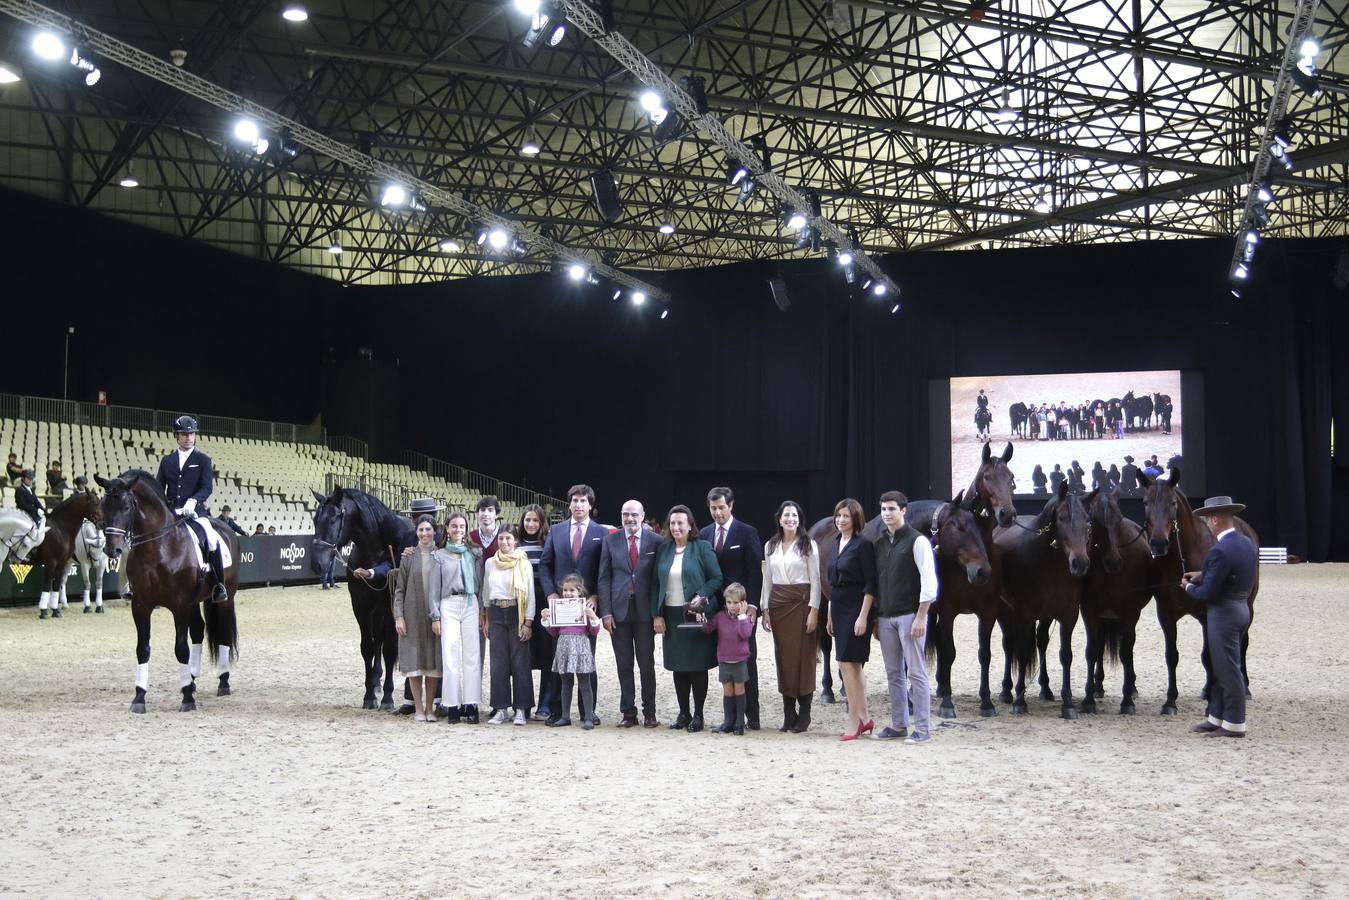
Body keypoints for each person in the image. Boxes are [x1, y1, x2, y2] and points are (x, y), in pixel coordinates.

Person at [1182, 495, 1257, 739]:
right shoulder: (1246, 542)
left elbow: (1207, 593)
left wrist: (1188, 587)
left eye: (1207, 519)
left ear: (1215, 520)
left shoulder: (1219, 550)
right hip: (1240, 608)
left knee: (1228, 670)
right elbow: (1231, 572)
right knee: (1219, 666)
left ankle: (1234, 723)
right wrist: (1202, 574)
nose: (1207, 524)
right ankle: (1216, 716)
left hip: (1223, 614)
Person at [650, 504, 723, 733]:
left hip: (695, 615)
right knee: (678, 667)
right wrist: (657, 614)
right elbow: (655, 584)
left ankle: (698, 715)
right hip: (671, 616)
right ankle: (684, 713)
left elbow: (716, 578)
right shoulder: (664, 550)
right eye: (672, 523)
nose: (676, 527)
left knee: (697, 667)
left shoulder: (702, 547)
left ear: (690, 525)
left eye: (680, 523)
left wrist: (701, 596)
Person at [539, 484, 607, 726]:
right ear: (569, 504)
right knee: (560, 661)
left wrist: (596, 596)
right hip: (561, 607)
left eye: (583, 501)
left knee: (587, 661)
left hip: (587, 608)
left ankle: (589, 711)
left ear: (590, 505)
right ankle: (559, 711)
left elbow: (603, 569)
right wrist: (550, 593)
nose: (579, 505)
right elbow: (545, 565)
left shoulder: (601, 532)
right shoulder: (556, 531)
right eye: (575, 500)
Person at [873, 491, 938, 744]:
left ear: (903, 511)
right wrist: (877, 617)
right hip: (886, 617)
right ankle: (899, 724)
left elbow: (929, 583)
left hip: (910, 616)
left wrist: (921, 617)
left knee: (917, 673)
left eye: (891, 509)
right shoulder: (880, 544)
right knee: (893, 673)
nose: (887, 513)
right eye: (883, 509)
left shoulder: (917, 541)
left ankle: (922, 728)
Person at [701, 487, 764, 730]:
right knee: (726, 663)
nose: (717, 512)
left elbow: (755, 573)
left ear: (731, 505)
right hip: (717, 611)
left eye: (721, 507)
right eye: (713, 508)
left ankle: (752, 716)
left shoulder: (747, 532)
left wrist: (753, 606)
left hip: (741, 609)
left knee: (747, 661)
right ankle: (732, 718)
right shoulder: (705, 534)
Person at [597, 499, 662, 728]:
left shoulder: (656, 541)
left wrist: (657, 613)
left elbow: (658, 579)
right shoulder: (610, 540)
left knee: (646, 664)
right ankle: (628, 712)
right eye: (626, 514)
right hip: (618, 612)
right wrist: (606, 613)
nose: (630, 518)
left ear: (643, 516)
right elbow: (604, 578)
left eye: (634, 514)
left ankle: (650, 712)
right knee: (623, 665)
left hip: (645, 611)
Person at [760, 500, 820, 733]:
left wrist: (814, 610)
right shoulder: (771, 545)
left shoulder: (808, 544)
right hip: (778, 606)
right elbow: (768, 578)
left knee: (804, 658)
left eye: (794, 515)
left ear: (799, 519)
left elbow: (815, 579)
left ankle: (804, 712)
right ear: (779, 519)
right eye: (786, 515)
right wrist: (765, 608)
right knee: (784, 658)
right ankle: (788, 713)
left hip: (802, 604)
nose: (790, 519)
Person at [156, 416, 227, 603]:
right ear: (177, 436)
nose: (188, 437)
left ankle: (219, 584)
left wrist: (192, 502)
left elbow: (207, 487)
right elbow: (159, 488)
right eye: (184, 434)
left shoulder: (203, 460)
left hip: (196, 513)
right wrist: (166, 508)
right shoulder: (167, 461)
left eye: (191, 434)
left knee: (211, 539)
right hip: (172, 513)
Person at [828, 498, 877, 742]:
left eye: (846, 516)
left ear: (855, 518)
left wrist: (863, 617)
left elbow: (871, 584)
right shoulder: (836, 542)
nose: (841, 520)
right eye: (838, 515)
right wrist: (829, 613)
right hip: (838, 607)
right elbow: (832, 582)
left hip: (857, 608)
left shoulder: (863, 544)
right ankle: (865, 718)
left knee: (847, 665)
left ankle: (854, 721)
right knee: (852, 666)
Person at [393, 515, 444, 722]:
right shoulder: (408, 557)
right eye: (421, 530)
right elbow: (399, 590)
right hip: (412, 616)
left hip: (434, 617)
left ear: (434, 532)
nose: (425, 533)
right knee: (415, 665)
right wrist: (399, 616)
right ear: (416, 532)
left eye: (428, 529)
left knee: (432, 665)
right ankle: (419, 709)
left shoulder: (441, 556)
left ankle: (430, 709)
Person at [484, 527, 535, 726]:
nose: (504, 542)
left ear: (515, 540)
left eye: (508, 538)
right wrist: (487, 618)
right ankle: (500, 708)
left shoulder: (523, 563)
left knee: (520, 662)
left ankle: (521, 708)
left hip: (517, 613)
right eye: (501, 538)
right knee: (498, 663)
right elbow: (486, 591)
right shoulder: (491, 563)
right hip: (496, 612)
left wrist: (528, 622)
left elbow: (529, 593)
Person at [540, 574, 602, 729]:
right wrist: (546, 619)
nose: (568, 593)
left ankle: (588, 716)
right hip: (564, 647)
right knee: (566, 683)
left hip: (581, 646)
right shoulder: (559, 608)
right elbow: (554, 632)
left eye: (572, 590)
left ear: (579, 591)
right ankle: (565, 716)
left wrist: (593, 617)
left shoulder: (585, 608)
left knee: (584, 683)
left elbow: (594, 631)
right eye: (565, 590)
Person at [438, 512, 483, 724]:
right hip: (449, 602)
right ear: (447, 529)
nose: (458, 530)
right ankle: (452, 704)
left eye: (462, 526)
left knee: (472, 654)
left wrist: (482, 610)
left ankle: (471, 703)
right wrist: (434, 615)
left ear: (466, 529)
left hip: (471, 602)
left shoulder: (474, 553)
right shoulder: (439, 555)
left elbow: (480, 582)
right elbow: (434, 588)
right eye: (454, 526)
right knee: (450, 654)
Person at [518, 505, 556, 721]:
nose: (531, 524)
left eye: (535, 520)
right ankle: (523, 704)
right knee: (523, 657)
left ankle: (545, 704)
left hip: (544, 600)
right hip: (522, 602)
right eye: (527, 520)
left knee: (547, 655)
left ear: (542, 523)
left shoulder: (549, 543)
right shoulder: (515, 544)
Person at [702, 582, 755, 735]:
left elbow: (745, 634)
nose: (732, 606)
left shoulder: (746, 618)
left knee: (739, 689)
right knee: (727, 690)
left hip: (740, 661)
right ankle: (728, 721)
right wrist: (702, 619)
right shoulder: (720, 617)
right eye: (729, 602)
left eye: (736, 602)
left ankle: (740, 722)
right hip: (724, 660)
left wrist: (743, 615)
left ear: (743, 603)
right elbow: (708, 629)